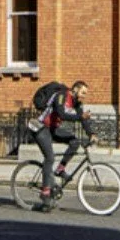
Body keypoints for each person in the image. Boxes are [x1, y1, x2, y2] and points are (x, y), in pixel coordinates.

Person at [32, 80, 91, 209]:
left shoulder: (76, 102)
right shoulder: (61, 95)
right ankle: (45, 192)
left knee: (75, 142)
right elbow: (61, 114)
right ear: (75, 89)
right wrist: (80, 117)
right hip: (41, 128)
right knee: (50, 158)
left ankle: (60, 169)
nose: (84, 96)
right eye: (83, 92)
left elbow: (83, 117)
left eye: (85, 94)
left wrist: (92, 134)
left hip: (52, 129)